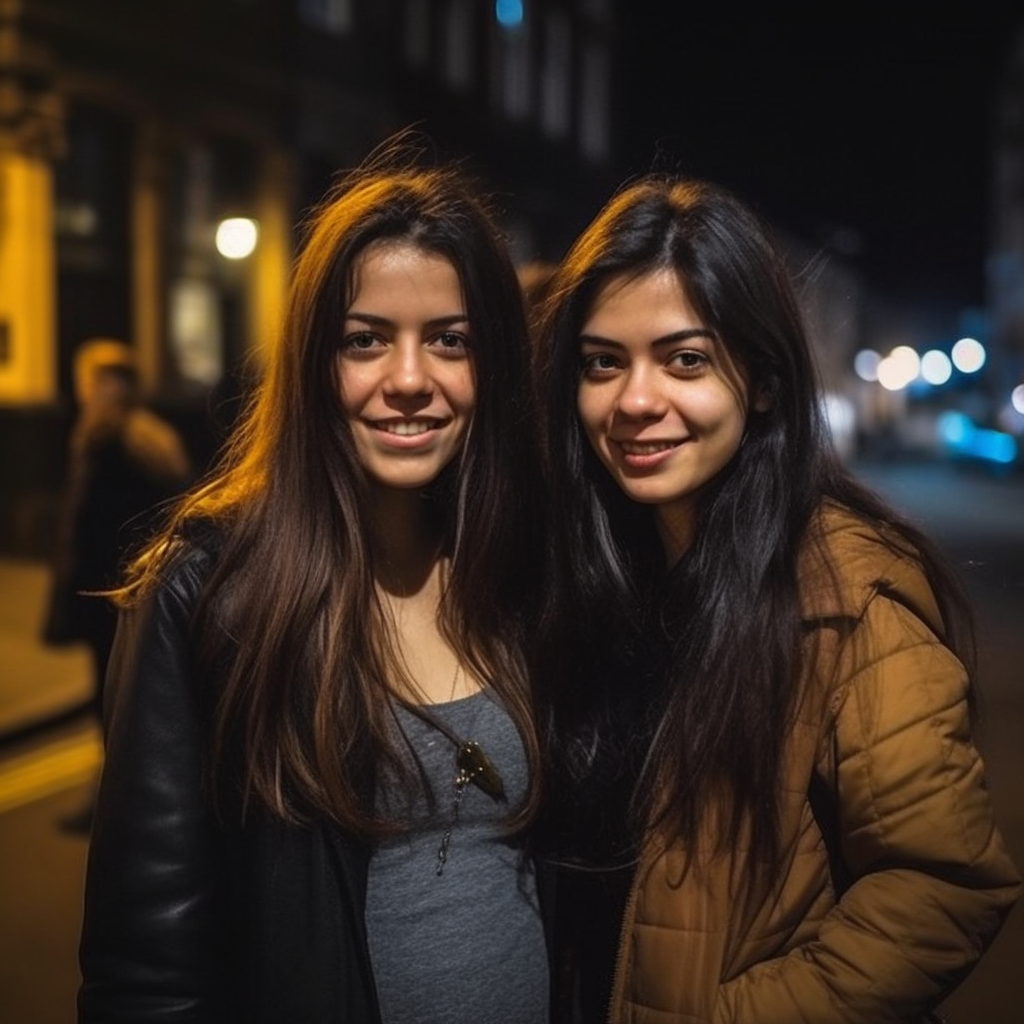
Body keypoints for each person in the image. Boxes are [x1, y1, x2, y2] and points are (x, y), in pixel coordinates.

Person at [77, 138, 550, 1024]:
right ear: (313, 364)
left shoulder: (528, 571)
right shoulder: (211, 595)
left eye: (450, 341)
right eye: (365, 341)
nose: (408, 380)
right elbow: (145, 974)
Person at [531, 175, 1022, 1023]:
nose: (636, 401)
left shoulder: (847, 593)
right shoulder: (582, 574)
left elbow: (944, 885)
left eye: (685, 359)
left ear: (760, 382)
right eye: (603, 363)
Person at [43, 337, 193, 832]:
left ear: (107, 384)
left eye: (88, 380)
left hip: (105, 596)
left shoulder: (103, 438)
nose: (83, 391)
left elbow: (85, 528)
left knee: (113, 707)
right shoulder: (154, 437)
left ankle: (116, 808)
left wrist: (69, 600)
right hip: (144, 592)